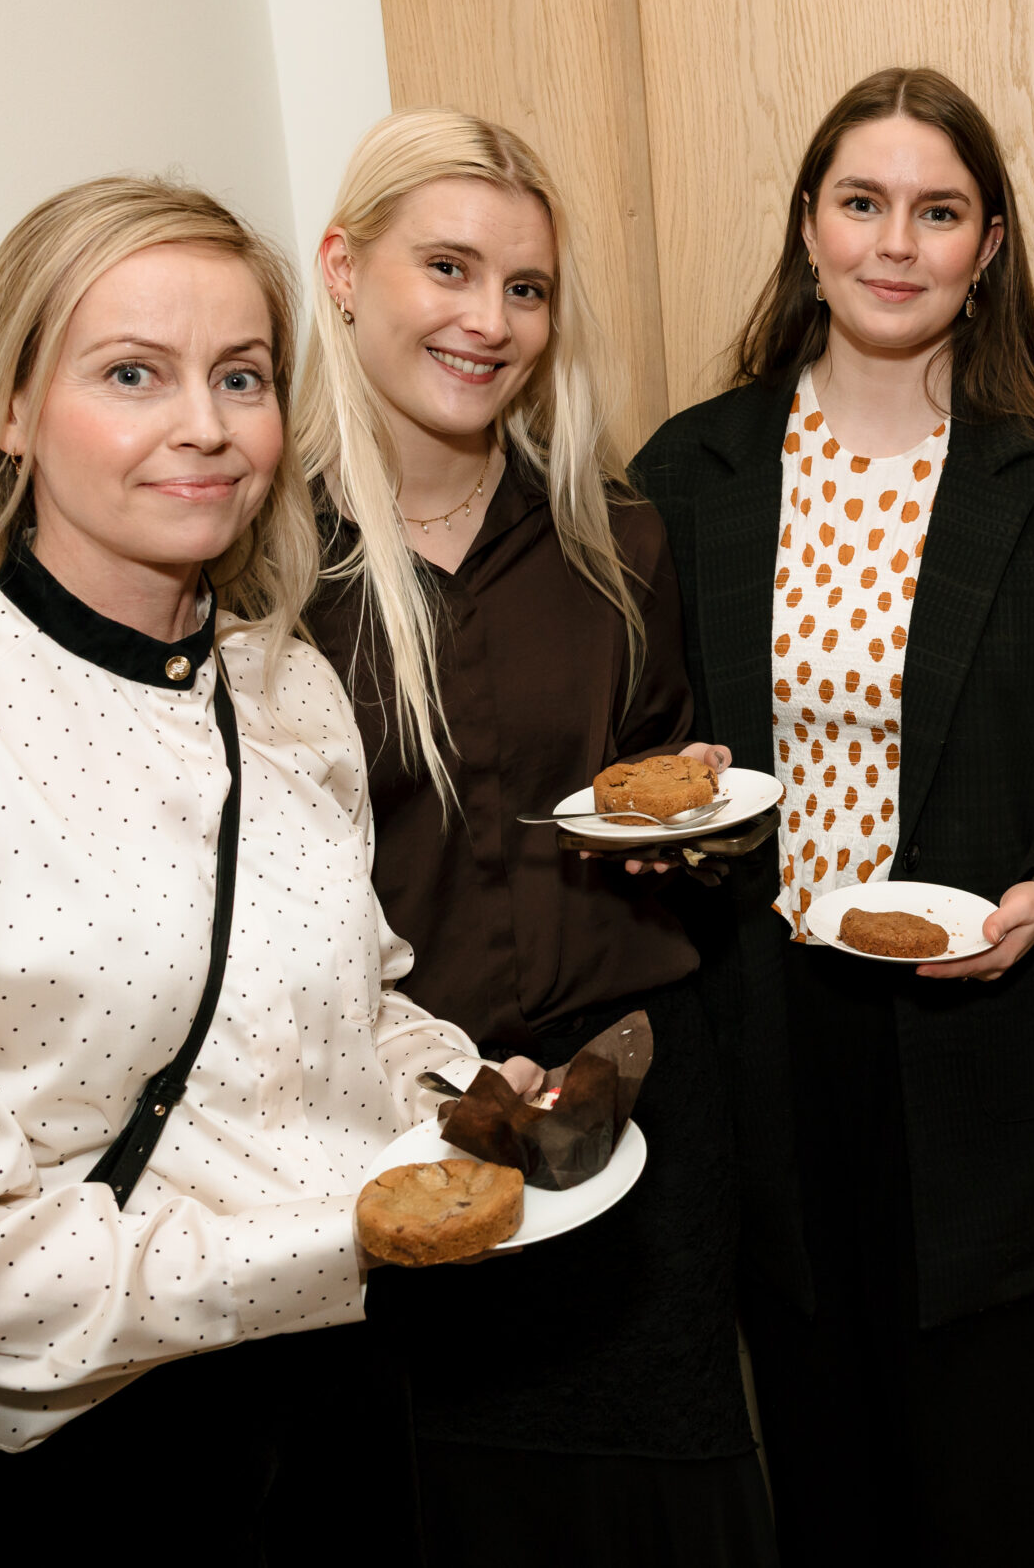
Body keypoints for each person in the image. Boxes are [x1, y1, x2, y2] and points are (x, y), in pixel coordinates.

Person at [0, 176, 526, 1563]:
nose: (208, 427)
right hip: (98, 1468)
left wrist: (466, 1102)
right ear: (10, 412)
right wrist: (341, 1231)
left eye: (240, 375)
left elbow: (357, 1000)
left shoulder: (283, 686)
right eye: (132, 373)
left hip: (354, 1391)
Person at [629, 66, 1034, 1568]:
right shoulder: (690, 472)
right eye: (862, 203)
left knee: (1017, 1504)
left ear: (988, 244)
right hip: (770, 1063)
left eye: (937, 211)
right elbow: (652, 752)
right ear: (808, 225)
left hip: (1001, 1063)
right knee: (834, 1497)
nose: (895, 241)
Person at [295, 109, 772, 1567]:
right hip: (391, 1127)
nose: (488, 320)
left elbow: (673, 790)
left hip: (622, 1116)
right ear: (345, 269)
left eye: (526, 288)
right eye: (448, 266)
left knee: (660, 1509)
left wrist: (692, 819)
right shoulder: (262, 565)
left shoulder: (614, 538)